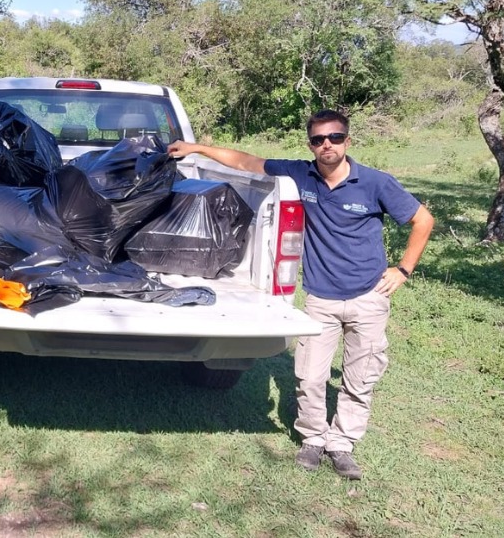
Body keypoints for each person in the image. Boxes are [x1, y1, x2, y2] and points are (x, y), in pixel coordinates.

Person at [167, 110, 433, 480]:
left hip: (368, 297)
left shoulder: (375, 183)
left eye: (335, 138)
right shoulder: (299, 174)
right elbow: (247, 162)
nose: (327, 145)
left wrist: (403, 270)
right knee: (309, 377)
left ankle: (342, 445)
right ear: (310, 144)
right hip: (320, 298)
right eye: (319, 139)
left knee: (361, 379)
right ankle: (312, 439)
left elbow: (423, 220)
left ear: (347, 141)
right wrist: (196, 148)